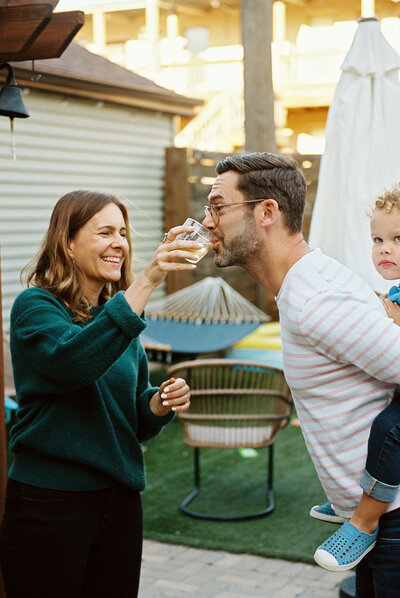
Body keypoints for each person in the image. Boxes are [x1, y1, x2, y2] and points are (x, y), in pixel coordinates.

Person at [201, 153, 400, 597]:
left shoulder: (315, 298)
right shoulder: (303, 287)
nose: (207, 222)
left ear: (267, 212)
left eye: (217, 207)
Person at [0, 189, 199, 598]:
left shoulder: (118, 319)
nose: (119, 244)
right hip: (50, 503)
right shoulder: (35, 307)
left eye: (123, 233)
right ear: (68, 243)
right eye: (104, 231)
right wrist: (148, 280)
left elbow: (130, 417)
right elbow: (74, 363)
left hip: (119, 504)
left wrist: (157, 403)